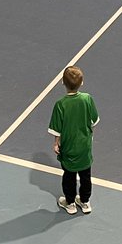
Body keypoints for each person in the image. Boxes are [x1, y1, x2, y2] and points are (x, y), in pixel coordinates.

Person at [48, 65, 99, 216]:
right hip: (84, 147)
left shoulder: (61, 104)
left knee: (69, 176)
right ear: (81, 83)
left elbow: (57, 129)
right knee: (85, 175)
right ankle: (85, 201)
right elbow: (94, 121)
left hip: (69, 148)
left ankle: (70, 203)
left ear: (63, 82)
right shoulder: (87, 99)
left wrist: (57, 142)